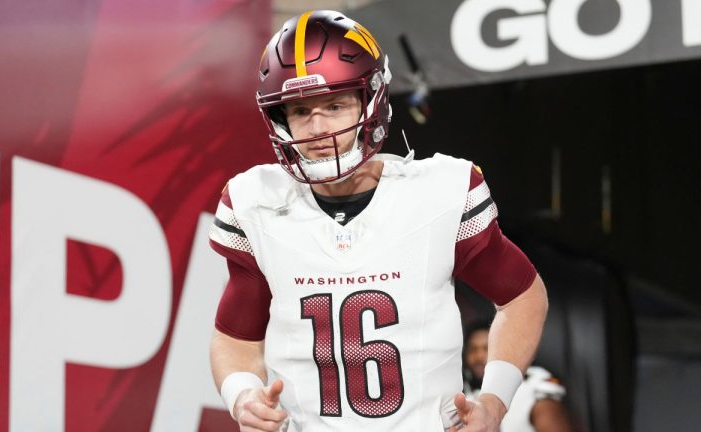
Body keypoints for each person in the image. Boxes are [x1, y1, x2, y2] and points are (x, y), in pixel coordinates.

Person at [208, 10, 548, 432]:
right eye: (299, 110)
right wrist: (243, 396)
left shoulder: (439, 191)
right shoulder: (257, 203)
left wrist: (495, 402)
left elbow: (522, 297)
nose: (317, 128)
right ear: (280, 120)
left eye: (334, 104)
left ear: (371, 100)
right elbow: (236, 338)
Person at [463, 320, 574, 432]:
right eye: (473, 350)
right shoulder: (463, 392)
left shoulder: (532, 387)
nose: (479, 356)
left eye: (487, 348)